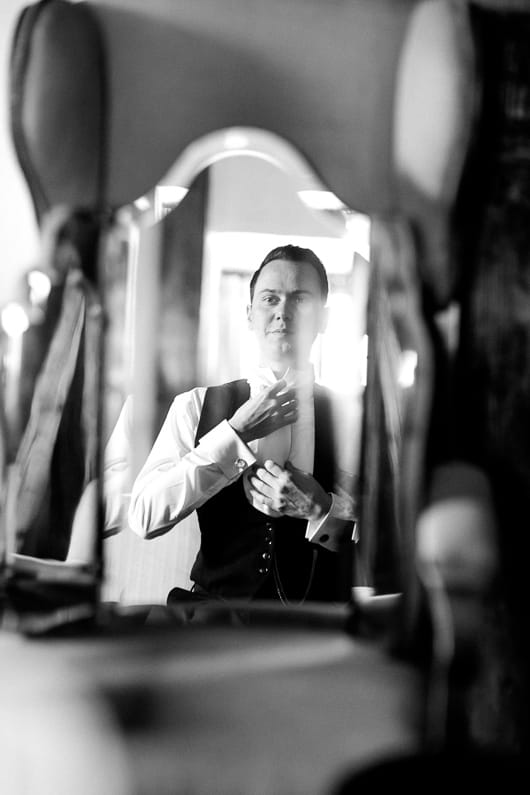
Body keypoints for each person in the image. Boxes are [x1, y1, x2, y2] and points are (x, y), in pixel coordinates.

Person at [128, 244, 358, 605]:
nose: (283, 312)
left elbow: (391, 541)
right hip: (212, 629)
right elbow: (144, 516)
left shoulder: (352, 417)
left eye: (300, 299)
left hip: (317, 630)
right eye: (270, 299)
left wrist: (322, 511)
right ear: (250, 314)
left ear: (324, 320)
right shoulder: (195, 406)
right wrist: (233, 435)